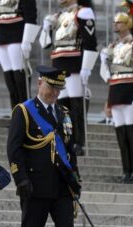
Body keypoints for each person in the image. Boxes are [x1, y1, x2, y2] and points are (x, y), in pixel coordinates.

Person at [8, 66, 86, 227]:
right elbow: (14, 149)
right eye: (51, 87)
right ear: (40, 83)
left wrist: (75, 179)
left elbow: (70, 150)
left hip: (61, 186)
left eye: (58, 89)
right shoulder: (24, 111)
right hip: (35, 185)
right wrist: (20, 179)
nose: (54, 92)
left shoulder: (64, 112)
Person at [100, 0, 133, 184]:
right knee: (121, 135)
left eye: (119, 22)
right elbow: (108, 77)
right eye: (115, 22)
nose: (115, 25)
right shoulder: (113, 46)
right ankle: (127, 171)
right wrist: (103, 61)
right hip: (116, 93)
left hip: (131, 92)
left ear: (128, 23)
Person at [39, 0, 99, 156]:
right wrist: (46, 27)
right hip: (59, 63)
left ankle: (79, 142)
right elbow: (45, 44)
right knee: (61, 106)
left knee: (76, 104)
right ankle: (67, 139)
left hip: (74, 62)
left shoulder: (83, 12)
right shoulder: (58, 16)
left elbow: (90, 42)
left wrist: (86, 67)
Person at [0, 0, 38, 108]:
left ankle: (25, 113)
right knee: (9, 80)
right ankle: (15, 113)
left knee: (20, 77)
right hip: (1, 36)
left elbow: (31, 15)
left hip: (17, 33)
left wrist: (28, 40)